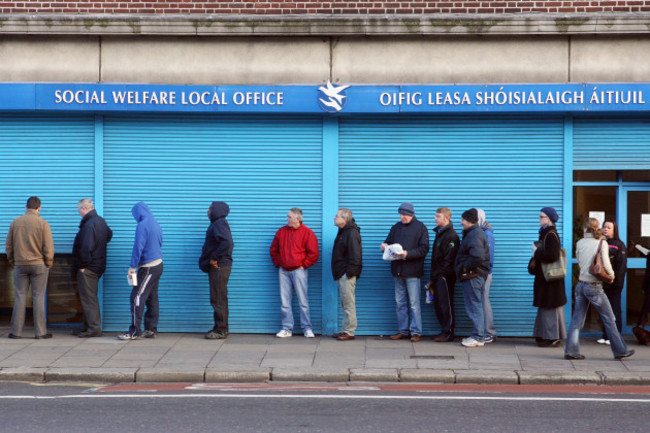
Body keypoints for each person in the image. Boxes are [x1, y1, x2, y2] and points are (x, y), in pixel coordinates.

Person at [565, 217, 634, 360]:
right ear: (597, 228)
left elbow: (579, 260)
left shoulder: (579, 243)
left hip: (581, 285)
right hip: (594, 286)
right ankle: (620, 350)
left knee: (577, 320)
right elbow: (607, 265)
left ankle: (571, 351)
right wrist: (612, 276)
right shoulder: (601, 243)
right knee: (609, 318)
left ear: (585, 228)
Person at [5, 196, 54, 339]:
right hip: (39, 265)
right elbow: (48, 247)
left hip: (20, 265)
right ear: (39, 208)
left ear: (26, 207)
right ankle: (40, 332)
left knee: (20, 296)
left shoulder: (15, 222)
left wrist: (13, 260)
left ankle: (16, 332)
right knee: (38, 297)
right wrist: (48, 263)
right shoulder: (43, 224)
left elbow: (9, 245)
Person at [381, 202, 429, 342]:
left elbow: (424, 249)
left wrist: (407, 254)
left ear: (412, 214)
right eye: (401, 214)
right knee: (400, 303)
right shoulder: (396, 227)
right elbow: (387, 242)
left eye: (405, 215)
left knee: (414, 303)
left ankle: (416, 332)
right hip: (397, 271)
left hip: (413, 271)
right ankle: (402, 330)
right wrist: (384, 246)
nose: (403, 217)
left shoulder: (420, 227)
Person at [270, 207, 319, 338]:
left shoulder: (307, 233)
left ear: (297, 219)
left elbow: (313, 253)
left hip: (299, 271)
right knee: (285, 302)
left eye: (289, 217)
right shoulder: (281, 232)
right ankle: (286, 328)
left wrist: (304, 265)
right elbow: (273, 249)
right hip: (283, 271)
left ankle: (307, 328)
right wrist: (278, 263)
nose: (287, 219)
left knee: (303, 301)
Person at [118, 202, 163, 340]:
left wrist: (133, 267)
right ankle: (151, 329)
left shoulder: (142, 225)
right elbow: (160, 242)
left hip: (148, 267)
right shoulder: (155, 223)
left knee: (136, 297)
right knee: (151, 297)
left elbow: (138, 247)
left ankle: (134, 331)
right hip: (158, 264)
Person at [72, 198, 113, 338]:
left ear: (84, 209)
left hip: (89, 267)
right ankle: (87, 326)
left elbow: (86, 247)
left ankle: (94, 328)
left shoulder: (89, 224)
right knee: (88, 297)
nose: (79, 213)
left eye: (79, 210)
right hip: (98, 265)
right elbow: (109, 234)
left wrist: (83, 265)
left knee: (89, 298)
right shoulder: (100, 221)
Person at [528, 207, 567, 347]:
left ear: (549, 219)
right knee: (546, 306)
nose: (539, 218)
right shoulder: (545, 233)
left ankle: (552, 337)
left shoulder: (550, 235)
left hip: (550, 279)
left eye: (541, 216)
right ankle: (544, 334)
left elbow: (552, 255)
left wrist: (536, 253)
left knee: (550, 306)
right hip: (546, 278)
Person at [455, 208, 491, 348]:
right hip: (476, 275)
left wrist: (465, 267)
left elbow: (477, 256)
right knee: (476, 305)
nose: (461, 222)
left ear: (470, 221)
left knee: (474, 306)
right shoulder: (473, 233)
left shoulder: (474, 234)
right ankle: (478, 335)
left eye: (463, 219)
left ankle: (478, 337)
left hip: (473, 275)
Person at [199, 201, 234, 340]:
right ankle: (221, 327)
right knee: (219, 297)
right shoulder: (219, 223)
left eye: (210, 208)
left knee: (218, 298)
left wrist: (214, 258)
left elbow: (227, 242)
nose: (207, 211)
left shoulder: (219, 223)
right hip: (219, 266)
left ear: (216, 210)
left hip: (219, 267)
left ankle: (221, 330)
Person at [428, 207, 460, 343]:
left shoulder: (451, 236)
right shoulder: (440, 233)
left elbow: (449, 260)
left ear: (446, 218)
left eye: (438, 216)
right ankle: (444, 330)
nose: (435, 218)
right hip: (437, 276)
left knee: (445, 304)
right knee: (439, 304)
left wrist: (440, 274)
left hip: (444, 277)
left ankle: (448, 333)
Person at [331, 208, 362, 341]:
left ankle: (349, 331)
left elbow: (356, 256)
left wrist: (349, 273)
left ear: (345, 219)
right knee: (345, 302)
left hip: (346, 274)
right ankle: (345, 329)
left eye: (337, 216)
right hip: (342, 273)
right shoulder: (344, 231)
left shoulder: (351, 233)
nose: (334, 218)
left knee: (348, 303)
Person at [597, 220, 627, 345]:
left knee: (614, 310)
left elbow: (621, 266)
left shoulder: (619, 245)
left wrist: (618, 283)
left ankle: (615, 336)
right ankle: (605, 335)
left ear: (614, 229)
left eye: (609, 227)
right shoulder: (601, 243)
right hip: (602, 283)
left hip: (614, 283)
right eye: (604, 227)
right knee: (604, 310)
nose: (605, 229)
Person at [477, 209, 497, 344]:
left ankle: (489, 332)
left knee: (484, 301)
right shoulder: (480, 232)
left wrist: (485, 270)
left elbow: (489, 256)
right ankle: (482, 330)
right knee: (480, 301)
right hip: (481, 272)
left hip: (485, 273)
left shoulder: (487, 234)